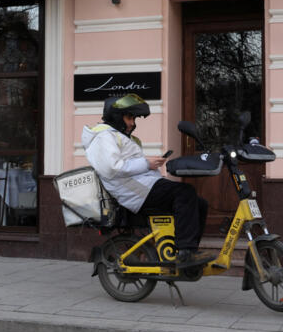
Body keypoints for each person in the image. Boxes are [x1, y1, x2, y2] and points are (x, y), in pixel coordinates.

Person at [81, 93, 213, 267]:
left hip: (141, 186)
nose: (132, 123)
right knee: (185, 192)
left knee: (199, 203)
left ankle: (190, 251)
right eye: (129, 117)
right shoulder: (103, 137)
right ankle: (185, 251)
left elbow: (129, 164)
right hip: (134, 191)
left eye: (134, 118)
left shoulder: (116, 135)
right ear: (116, 116)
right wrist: (147, 163)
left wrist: (150, 165)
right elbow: (113, 167)